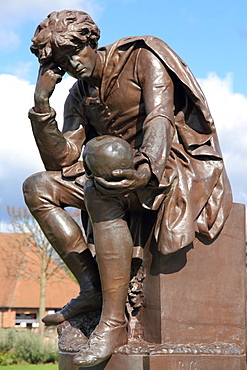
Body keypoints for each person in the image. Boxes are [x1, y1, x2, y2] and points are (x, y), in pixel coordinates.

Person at [23, 9, 232, 367]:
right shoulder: (77, 94)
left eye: (75, 54)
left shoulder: (142, 56)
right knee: (38, 187)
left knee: (99, 180)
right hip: (113, 178)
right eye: (63, 63)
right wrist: (42, 106)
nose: (74, 65)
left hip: (167, 168)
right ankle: (92, 288)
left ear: (91, 42)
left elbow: (160, 116)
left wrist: (146, 167)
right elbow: (62, 161)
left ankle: (114, 321)